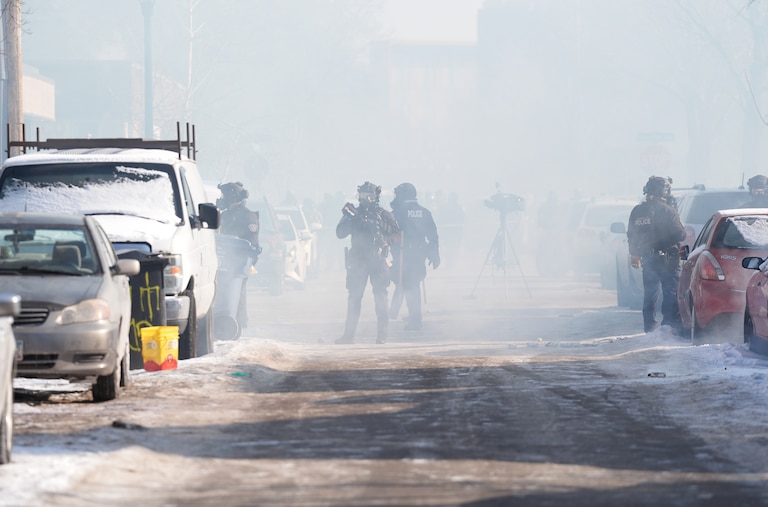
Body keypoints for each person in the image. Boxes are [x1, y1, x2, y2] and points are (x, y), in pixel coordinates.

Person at [336, 181, 400, 344]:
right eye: (363, 195)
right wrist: (352, 220)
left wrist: (384, 240)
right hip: (358, 260)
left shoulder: (383, 215)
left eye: (369, 195)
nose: (366, 198)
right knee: (354, 298)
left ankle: (382, 336)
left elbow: (398, 235)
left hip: (378, 260)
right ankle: (348, 336)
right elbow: (340, 233)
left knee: (380, 297)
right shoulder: (353, 213)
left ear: (376, 196)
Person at [627, 176, 686, 334]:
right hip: (669, 259)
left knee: (650, 294)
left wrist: (635, 254)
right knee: (670, 292)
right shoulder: (668, 210)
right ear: (664, 192)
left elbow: (631, 235)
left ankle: (649, 327)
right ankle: (668, 325)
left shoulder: (637, 211)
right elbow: (680, 234)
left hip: (648, 258)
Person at [389, 182, 440, 331]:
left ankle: (415, 319)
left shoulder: (398, 212)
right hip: (419, 254)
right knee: (410, 283)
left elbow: (390, 234)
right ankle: (405, 313)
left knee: (409, 285)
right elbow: (433, 235)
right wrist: (434, 254)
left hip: (404, 254)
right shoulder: (425, 212)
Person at [216, 181, 261, 330]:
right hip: (223, 260)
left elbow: (252, 244)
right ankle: (224, 322)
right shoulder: (226, 215)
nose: (222, 199)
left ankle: (239, 324)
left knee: (237, 291)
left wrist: (249, 263)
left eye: (224, 196)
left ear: (232, 196)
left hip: (239, 261)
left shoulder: (248, 216)